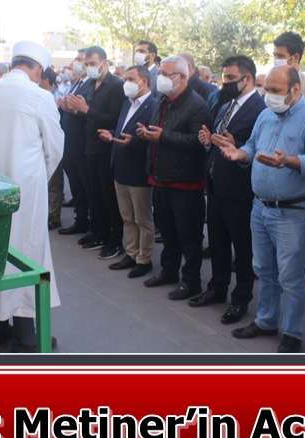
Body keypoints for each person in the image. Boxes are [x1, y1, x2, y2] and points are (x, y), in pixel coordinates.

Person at [219, 65, 305, 353]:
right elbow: (253, 145)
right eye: (267, 89)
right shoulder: (266, 114)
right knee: (263, 268)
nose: (269, 95)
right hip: (260, 207)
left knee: (290, 275)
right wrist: (240, 153)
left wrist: (289, 162)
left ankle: (292, 332)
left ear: (295, 90)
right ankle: (266, 320)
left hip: (293, 211)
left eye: (275, 90)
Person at [0, 41, 64, 353]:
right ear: (38, 69)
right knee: (26, 257)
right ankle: (26, 336)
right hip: (24, 195)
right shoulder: (39, 96)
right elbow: (54, 149)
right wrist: (36, 178)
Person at [190, 55, 265, 325]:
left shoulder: (260, 109)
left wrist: (239, 145)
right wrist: (207, 140)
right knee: (218, 241)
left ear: (248, 78)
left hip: (240, 188)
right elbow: (217, 139)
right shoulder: (226, 105)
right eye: (224, 77)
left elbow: (258, 148)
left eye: (231, 78)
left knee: (242, 247)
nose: (226, 83)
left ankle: (241, 298)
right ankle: (217, 287)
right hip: (216, 183)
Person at [139, 55, 212, 300]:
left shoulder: (197, 105)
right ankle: (168, 271)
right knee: (168, 231)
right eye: (159, 73)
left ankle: (191, 282)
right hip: (161, 177)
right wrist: (148, 134)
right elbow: (158, 129)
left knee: (188, 235)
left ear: (181, 77)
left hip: (185, 182)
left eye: (165, 74)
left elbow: (198, 143)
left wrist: (163, 137)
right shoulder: (163, 99)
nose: (160, 78)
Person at [66, 46, 126, 260]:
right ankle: (98, 232)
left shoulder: (116, 86)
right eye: (87, 64)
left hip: (106, 149)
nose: (89, 67)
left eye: (92, 63)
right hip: (88, 146)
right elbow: (85, 114)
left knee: (109, 196)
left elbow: (115, 119)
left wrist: (86, 110)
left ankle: (115, 240)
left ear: (104, 63)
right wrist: (74, 109)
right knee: (94, 194)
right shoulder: (89, 84)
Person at [98, 65, 156, 278]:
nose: (126, 83)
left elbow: (152, 140)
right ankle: (131, 253)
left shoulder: (153, 106)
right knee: (127, 216)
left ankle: (144, 259)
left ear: (144, 81)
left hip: (139, 172)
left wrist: (134, 142)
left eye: (131, 79)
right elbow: (122, 131)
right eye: (125, 79)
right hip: (120, 168)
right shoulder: (127, 103)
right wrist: (111, 134)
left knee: (142, 218)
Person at [59, 49, 94, 237]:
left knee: (85, 186)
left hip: (81, 143)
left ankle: (85, 221)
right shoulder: (78, 83)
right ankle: (80, 219)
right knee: (76, 184)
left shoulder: (91, 84)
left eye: (83, 60)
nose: (79, 63)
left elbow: (86, 111)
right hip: (70, 142)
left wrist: (73, 109)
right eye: (78, 60)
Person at [40, 66, 66, 230]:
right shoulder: (39, 96)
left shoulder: (56, 97)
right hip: (41, 145)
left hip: (54, 143)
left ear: (46, 80)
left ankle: (54, 216)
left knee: (54, 183)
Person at [272, 31, 305, 109]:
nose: (276, 60)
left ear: (296, 58)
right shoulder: (269, 83)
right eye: (274, 55)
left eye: (280, 56)